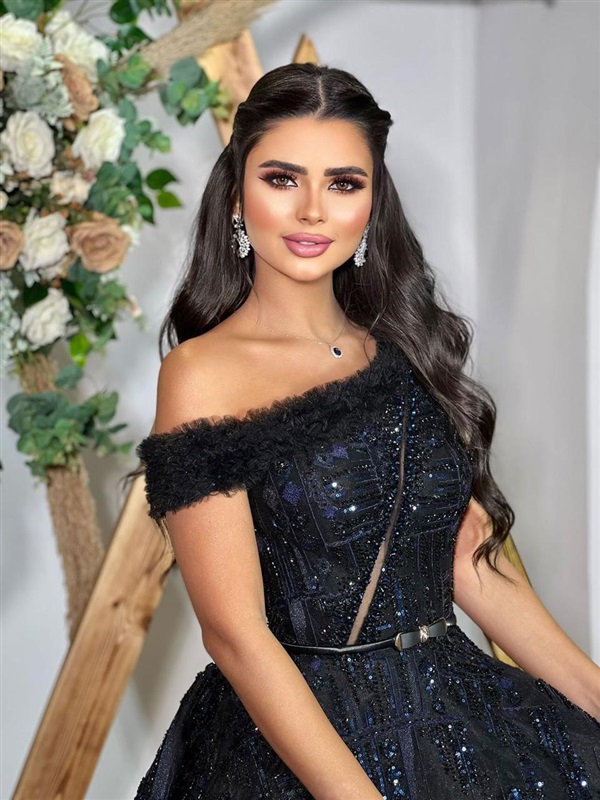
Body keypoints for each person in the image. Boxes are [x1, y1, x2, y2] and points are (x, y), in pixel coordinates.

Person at [132, 63, 600, 800]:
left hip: (453, 714)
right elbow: (234, 635)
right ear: (237, 196)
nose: (312, 211)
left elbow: (469, 562)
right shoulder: (202, 374)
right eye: (282, 179)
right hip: (300, 747)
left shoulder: (408, 350)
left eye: (344, 183)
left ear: (373, 203)